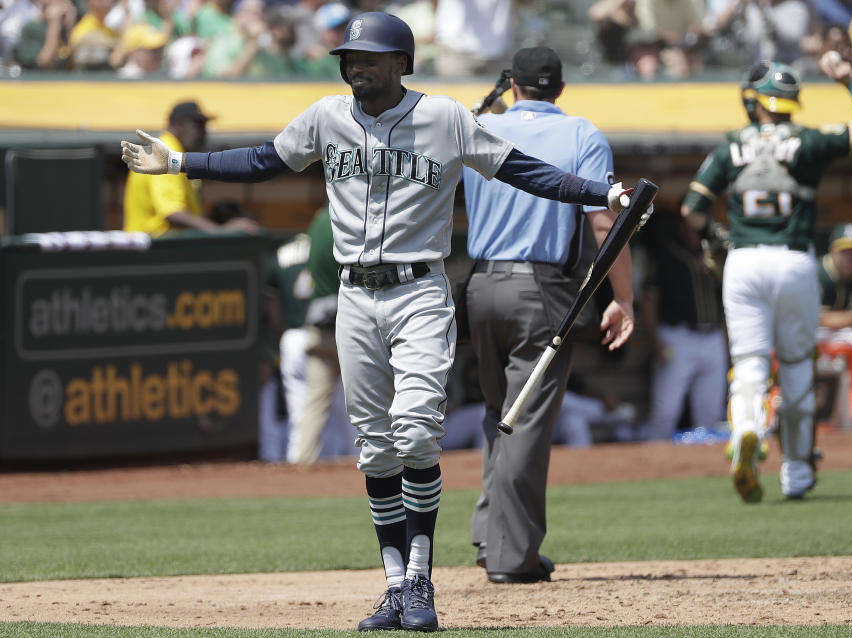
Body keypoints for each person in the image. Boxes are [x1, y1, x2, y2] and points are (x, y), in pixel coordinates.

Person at [121, 11, 634, 632]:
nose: (355, 65)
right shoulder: (325, 117)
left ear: (401, 63)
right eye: (350, 57)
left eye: (368, 57)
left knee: (416, 433)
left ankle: (419, 579)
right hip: (353, 299)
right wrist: (178, 165)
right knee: (374, 450)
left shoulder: (445, 117)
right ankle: (393, 587)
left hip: (420, 291)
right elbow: (262, 161)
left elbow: (521, 169)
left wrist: (598, 194)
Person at [460, 46, 635, 584]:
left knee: (500, 414)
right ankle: (514, 558)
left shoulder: (477, 127)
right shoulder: (581, 132)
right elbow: (606, 223)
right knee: (526, 423)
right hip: (540, 288)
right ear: (559, 89)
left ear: (512, 86)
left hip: (480, 283)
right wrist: (621, 298)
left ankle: (492, 538)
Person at [680, 55, 852, 502]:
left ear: (756, 101)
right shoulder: (808, 141)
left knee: (751, 363)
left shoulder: (730, 145)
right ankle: (795, 470)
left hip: (744, 261)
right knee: (795, 365)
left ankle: (747, 432)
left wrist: (714, 237)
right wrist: (849, 80)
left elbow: (691, 211)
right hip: (794, 262)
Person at [638, 209, 726, 441]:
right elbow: (649, 300)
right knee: (666, 410)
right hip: (677, 337)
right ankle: (651, 466)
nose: (694, 231)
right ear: (680, 226)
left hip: (712, 336)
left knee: (710, 412)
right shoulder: (666, 255)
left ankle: (705, 469)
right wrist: (655, 342)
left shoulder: (717, 255)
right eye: (690, 225)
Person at [122, 101, 260, 236]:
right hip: (150, 250)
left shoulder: (176, 152)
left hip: (157, 248)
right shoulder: (167, 152)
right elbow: (172, 212)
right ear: (178, 125)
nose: (203, 132)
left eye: (204, 126)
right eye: (198, 125)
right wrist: (220, 231)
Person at [283, 210, 344, 464]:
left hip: (319, 324)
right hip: (353, 322)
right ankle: (385, 468)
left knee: (315, 403)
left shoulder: (318, 220)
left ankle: (301, 465)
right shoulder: (350, 216)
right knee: (374, 403)